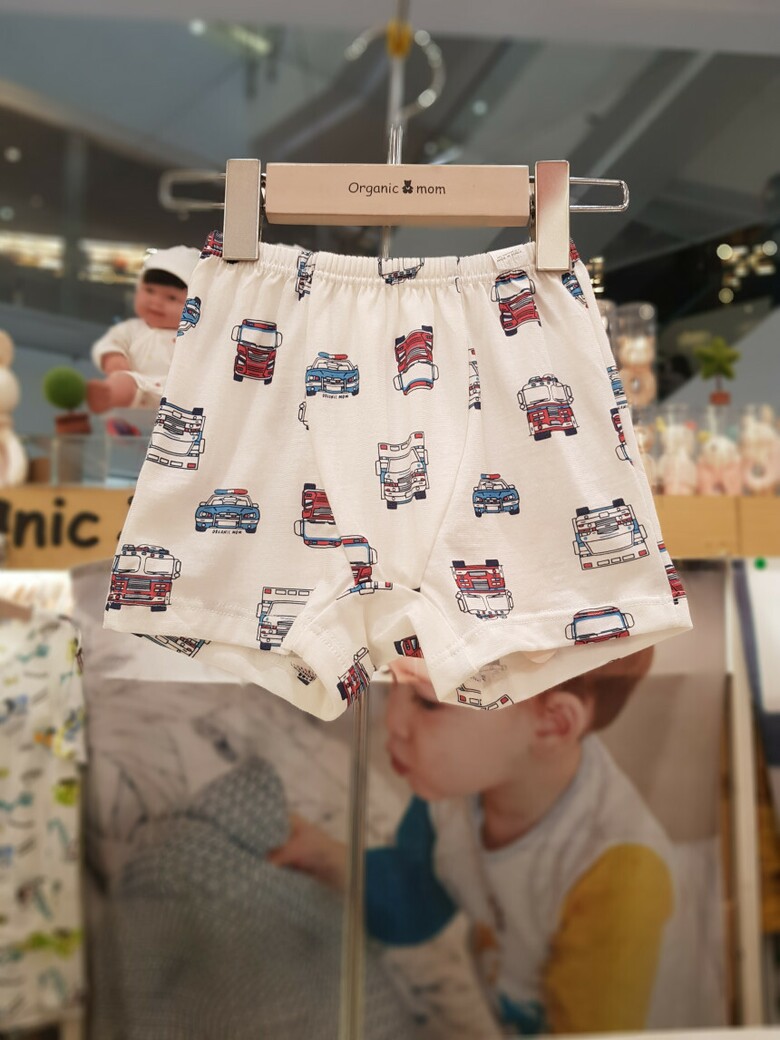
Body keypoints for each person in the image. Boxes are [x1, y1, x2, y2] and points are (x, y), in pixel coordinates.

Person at [269, 648, 686, 1035]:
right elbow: (417, 897)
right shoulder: (457, 784)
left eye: (427, 702)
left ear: (553, 723)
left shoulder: (618, 876)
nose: (393, 722)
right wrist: (331, 860)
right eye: (393, 683)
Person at [87, 245, 199, 414]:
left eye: (171, 298)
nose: (156, 302)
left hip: (173, 398)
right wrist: (114, 359)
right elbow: (110, 343)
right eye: (149, 291)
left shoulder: (191, 338)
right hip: (134, 390)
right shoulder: (131, 329)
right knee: (122, 381)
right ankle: (106, 395)